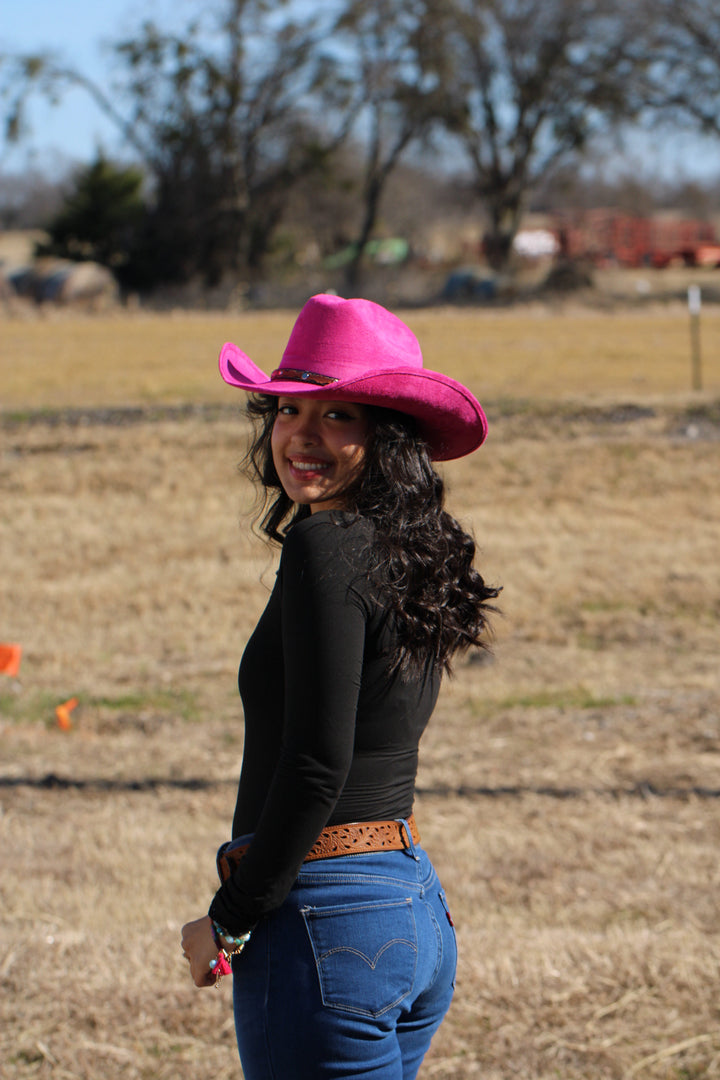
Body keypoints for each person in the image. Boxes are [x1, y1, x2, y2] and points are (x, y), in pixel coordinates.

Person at [181, 294, 499, 1080]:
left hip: (325, 922)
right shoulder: (407, 549)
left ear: (388, 439)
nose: (301, 435)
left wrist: (230, 918)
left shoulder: (325, 544)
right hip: (411, 908)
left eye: (338, 416)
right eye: (288, 410)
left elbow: (318, 763)